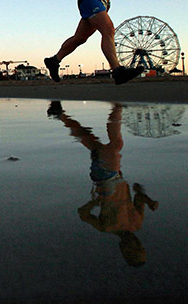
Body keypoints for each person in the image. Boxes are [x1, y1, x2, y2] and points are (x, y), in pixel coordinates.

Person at [48, 101, 159, 266]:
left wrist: (95, 202)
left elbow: (82, 213)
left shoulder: (107, 227)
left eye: (132, 250)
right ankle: (59, 114)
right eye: (139, 246)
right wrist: (148, 201)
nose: (134, 244)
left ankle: (117, 106)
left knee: (116, 146)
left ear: (123, 249)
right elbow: (138, 199)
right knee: (88, 139)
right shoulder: (137, 223)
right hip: (118, 178)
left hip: (104, 179)